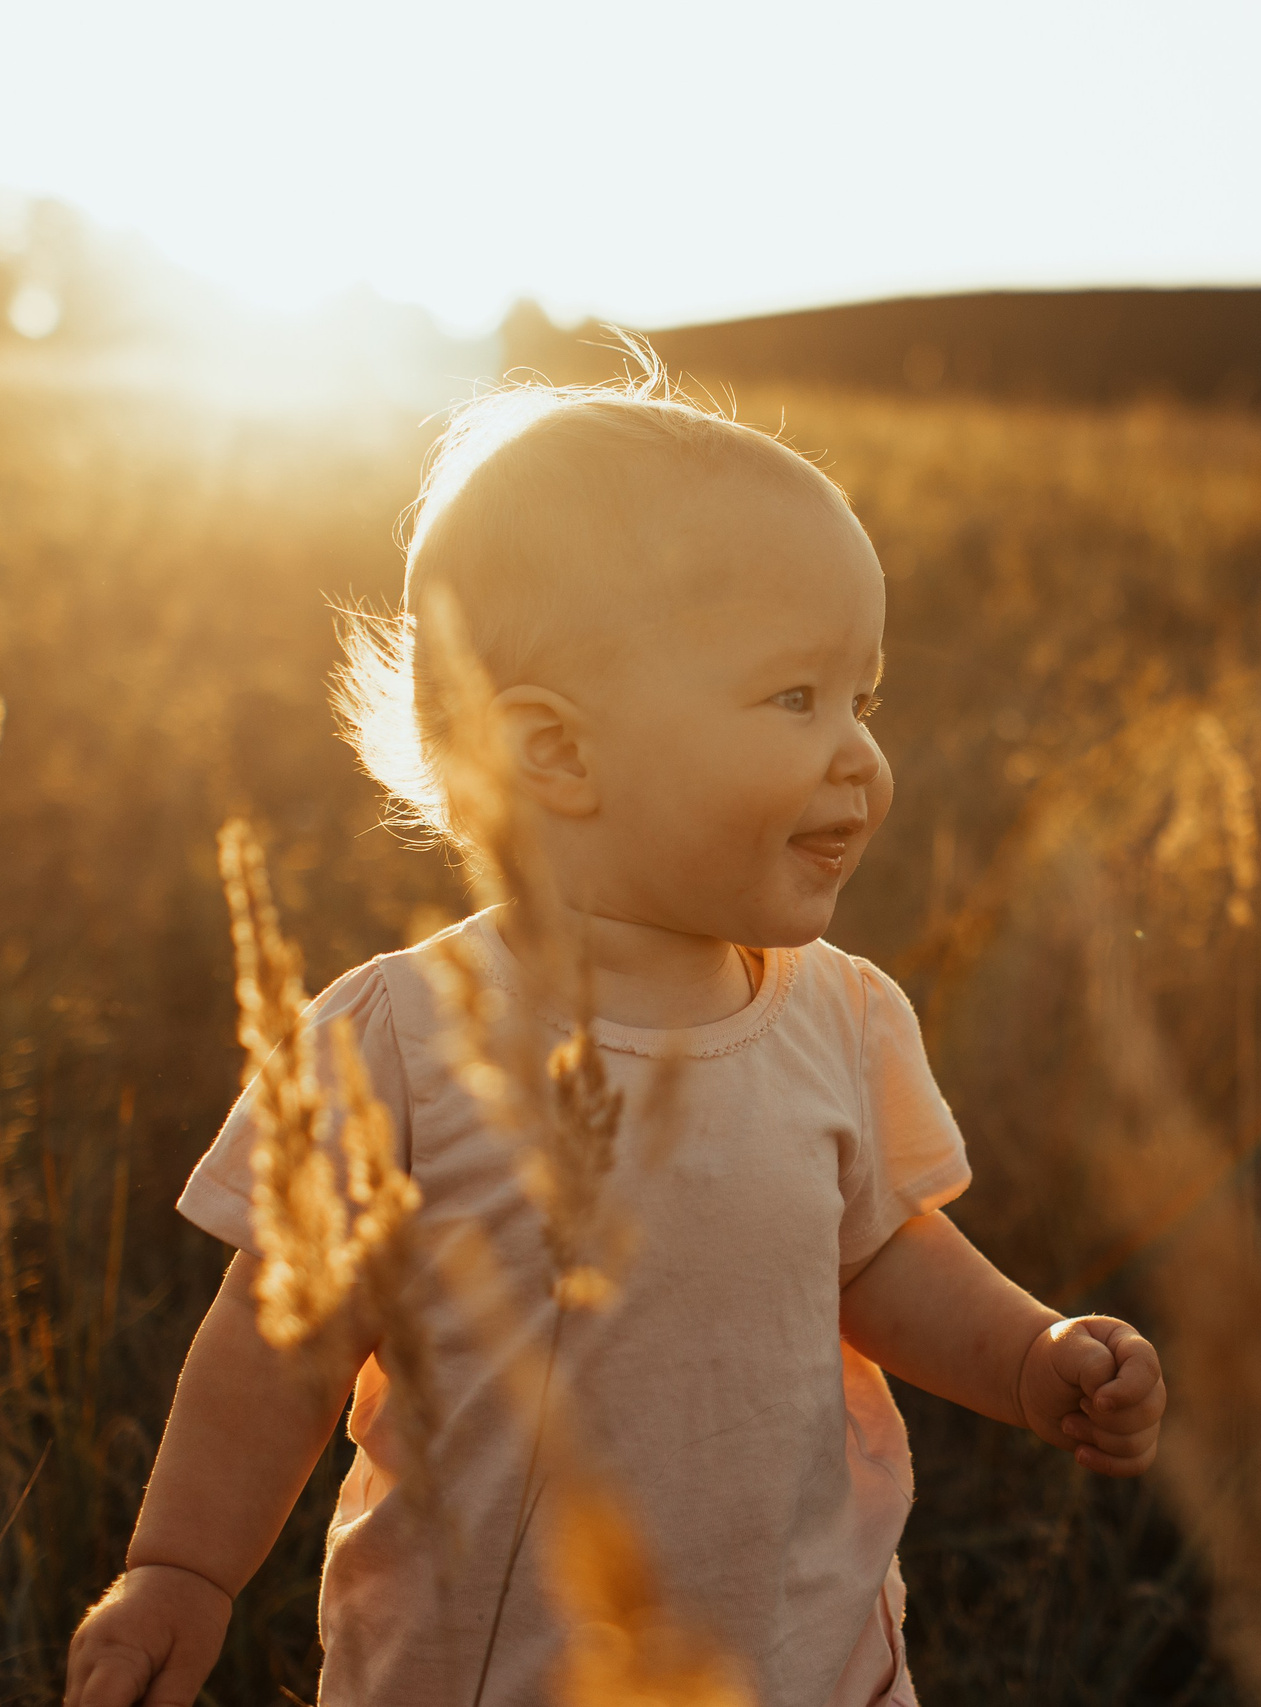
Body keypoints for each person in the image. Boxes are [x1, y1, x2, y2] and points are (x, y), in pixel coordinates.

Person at [64, 366, 1166, 1707]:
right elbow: (277, 1340)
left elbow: (881, 1256)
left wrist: (1031, 1356)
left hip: (798, 1663)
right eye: (794, 699)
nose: (860, 759)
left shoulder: (838, 1016)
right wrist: (182, 1568)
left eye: (863, 702)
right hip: (485, 1673)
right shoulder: (399, 1043)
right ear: (559, 754)